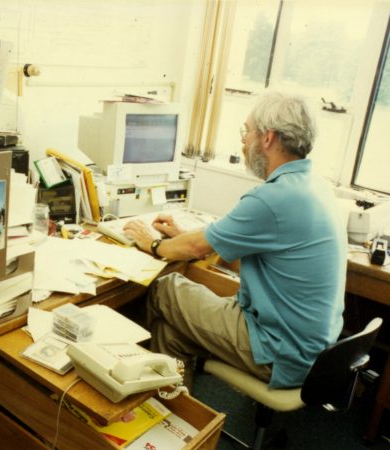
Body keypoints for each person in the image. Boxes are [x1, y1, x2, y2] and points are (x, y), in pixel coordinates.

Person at [122, 92, 347, 389]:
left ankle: (125, 376)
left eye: (246, 131)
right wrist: (183, 236)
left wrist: (151, 243)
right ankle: (173, 412)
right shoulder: (315, 186)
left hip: (280, 350)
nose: (243, 141)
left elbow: (196, 248)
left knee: (165, 288)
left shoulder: (273, 197)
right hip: (312, 347)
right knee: (171, 332)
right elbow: (218, 244)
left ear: (267, 138)